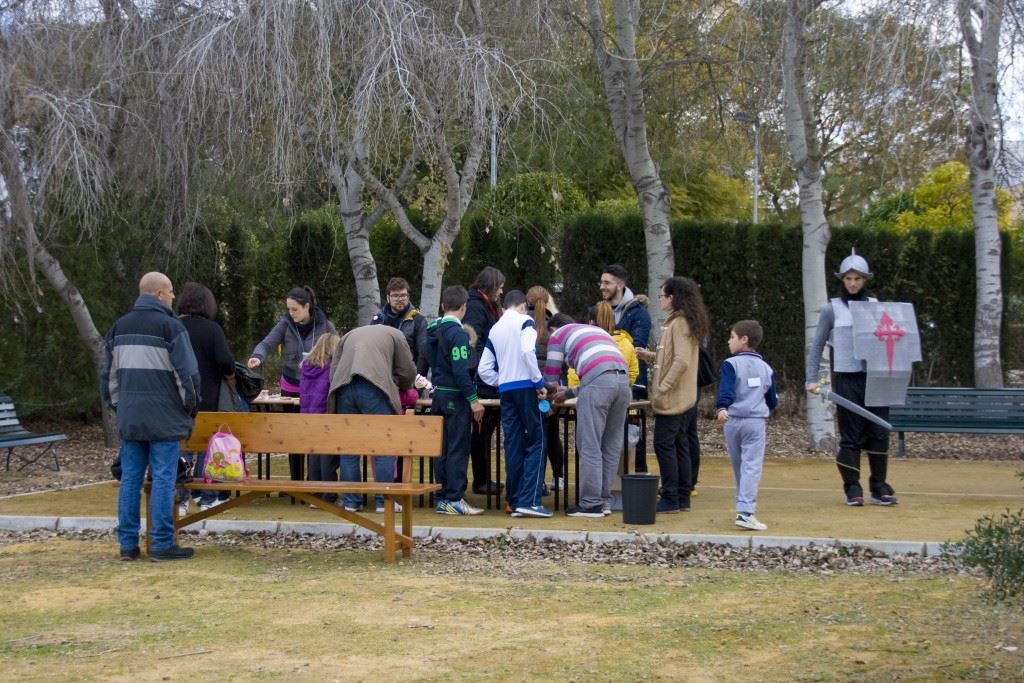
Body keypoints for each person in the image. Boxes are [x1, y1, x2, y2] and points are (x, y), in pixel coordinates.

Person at [102, 272, 200, 562]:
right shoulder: (172, 327)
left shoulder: (118, 328)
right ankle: (161, 543)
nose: (173, 297)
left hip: (131, 417)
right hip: (165, 419)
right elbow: (188, 377)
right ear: (159, 294)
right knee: (163, 478)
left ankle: (128, 545)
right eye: (170, 292)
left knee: (130, 480)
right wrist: (189, 410)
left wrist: (120, 408)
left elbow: (109, 379)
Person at [806, 250, 898, 507]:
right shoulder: (832, 309)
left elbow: (891, 340)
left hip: (876, 378)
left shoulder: (876, 306)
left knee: (879, 432)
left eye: (857, 278)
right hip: (847, 379)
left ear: (865, 280)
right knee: (851, 435)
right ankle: (852, 488)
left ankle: (879, 487)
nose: (853, 283)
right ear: (842, 280)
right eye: (848, 278)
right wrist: (811, 378)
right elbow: (817, 345)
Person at [546, 313, 632, 518]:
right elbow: (601, 375)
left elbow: (550, 379)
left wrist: (547, 396)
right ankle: (604, 501)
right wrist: (568, 393)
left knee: (590, 443)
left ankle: (590, 503)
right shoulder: (597, 332)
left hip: (599, 383)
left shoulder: (557, 336)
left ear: (553, 329)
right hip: (623, 382)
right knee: (610, 445)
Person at [635, 276, 709, 514]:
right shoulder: (683, 322)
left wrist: (662, 386)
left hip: (674, 398)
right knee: (679, 444)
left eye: (663, 296)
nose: (660, 300)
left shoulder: (679, 323)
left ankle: (670, 496)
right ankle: (682, 496)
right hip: (682, 396)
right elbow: (673, 357)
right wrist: (649, 356)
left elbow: (681, 361)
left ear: (673, 297)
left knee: (664, 445)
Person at [248, 286, 336, 481]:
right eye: (288, 309)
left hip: (316, 389)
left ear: (307, 306)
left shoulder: (326, 326)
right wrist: (257, 356)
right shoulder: (285, 324)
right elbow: (268, 343)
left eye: (294, 309)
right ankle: (295, 481)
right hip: (291, 386)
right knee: (294, 434)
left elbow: (336, 350)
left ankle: (314, 480)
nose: (291, 313)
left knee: (314, 434)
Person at [477, 290, 552, 518]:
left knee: (513, 444)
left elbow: (483, 369)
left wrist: (502, 380)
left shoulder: (495, 328)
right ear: (523, 306)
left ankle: (515, 500)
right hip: (526, 387)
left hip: (506, 390)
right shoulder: (526, 321)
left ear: (504, 307)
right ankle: (530, 501)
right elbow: (528, 351)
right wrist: (538, 382)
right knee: (538, 441)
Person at [328, 324, 417, 513]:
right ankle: (383, 501)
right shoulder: (397, 334)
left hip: (344, 388)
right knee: (384, 447)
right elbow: (407, 371)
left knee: (349, 449)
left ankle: (352, 502)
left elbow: (334, 370)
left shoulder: (349, 333)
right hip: (375, 386)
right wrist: (404, 386)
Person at [177, 282, 236, 514]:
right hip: (208, 395)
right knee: (207, 448)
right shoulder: (212, 330)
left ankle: (180, 499)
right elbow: (225, 360)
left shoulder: (174, 326)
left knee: (182, 448)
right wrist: (230, 376)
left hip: (179, 397)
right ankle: (206, 496)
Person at [427, 285, 485, 515]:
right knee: (457, 448)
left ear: (443, 305)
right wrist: (473, 399)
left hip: (438, 394)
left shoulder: (432, 330)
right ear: (464, 307)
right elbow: (461, 371)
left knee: (441, 448)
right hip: (455, 396)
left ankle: (443, 496)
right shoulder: (458, 334)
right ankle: (454, 498)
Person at [716, 320, 778, 531]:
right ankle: (745, 511)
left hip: (732, 420)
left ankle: (743, 507)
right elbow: (772, 400)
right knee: (751, 465)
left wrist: (722, 407)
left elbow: (726, 388)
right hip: (754, 422)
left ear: (744, 340)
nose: (729, 341)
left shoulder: (730, 364)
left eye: (732, 337)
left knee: (739, 465)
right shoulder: (766, 368)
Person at [599, 264, 652, 470]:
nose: (602, 286)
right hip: (604, 382)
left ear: (620, 285)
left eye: (607, 283)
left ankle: (636, 477)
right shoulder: (599, 310)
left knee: (632, 435)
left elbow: (637, 347)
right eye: (601, 282)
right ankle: (609, 479)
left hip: (633, 384)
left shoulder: (639, 314)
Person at [463, 266, 505, 496]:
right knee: (481, 431)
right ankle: (480, 480)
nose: (501, 291)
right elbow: (474, 339)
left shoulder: (484, 305)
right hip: (482, 380)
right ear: (491, 286)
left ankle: (484, 477)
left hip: (485, 377)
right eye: (499, 287)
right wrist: (483, 366)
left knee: (484, 431)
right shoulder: (477, 307)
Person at [527, 285, 564, 495]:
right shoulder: (554, 328)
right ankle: (559, 477)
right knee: (552, 435)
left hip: (529, 388)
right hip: (550, 388)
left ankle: (537, 481)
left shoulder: (523, 325)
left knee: (534, 438)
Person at [301, 332, 341, 504]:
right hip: (326, 414)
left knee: (314, 453)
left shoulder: (306, 366)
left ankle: (314, 493)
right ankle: (329, 494)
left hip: (308, 414)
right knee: (327, 456)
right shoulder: (332, 367)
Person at [371, 277, 430, 375]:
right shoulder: (378, 320)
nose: (400, 299)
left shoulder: (418, 321)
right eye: (395, 295)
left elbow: (423, 354)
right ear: (388, 298)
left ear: (408, 297)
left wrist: (416, 380)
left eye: (403, 295)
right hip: (381, 377)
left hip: (407, 378)